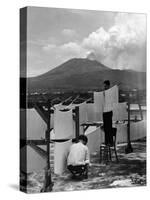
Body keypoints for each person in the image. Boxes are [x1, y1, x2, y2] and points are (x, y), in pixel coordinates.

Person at [103, 80, 113, 146]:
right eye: (104, 86)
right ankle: (107, 142)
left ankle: (110, 142)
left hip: (109, 111)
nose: (104, 87)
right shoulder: (104, 92)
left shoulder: (110, 92)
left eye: (105, 86)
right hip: (104, 111)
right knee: (105, 127)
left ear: (108, 85)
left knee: (109, 127)